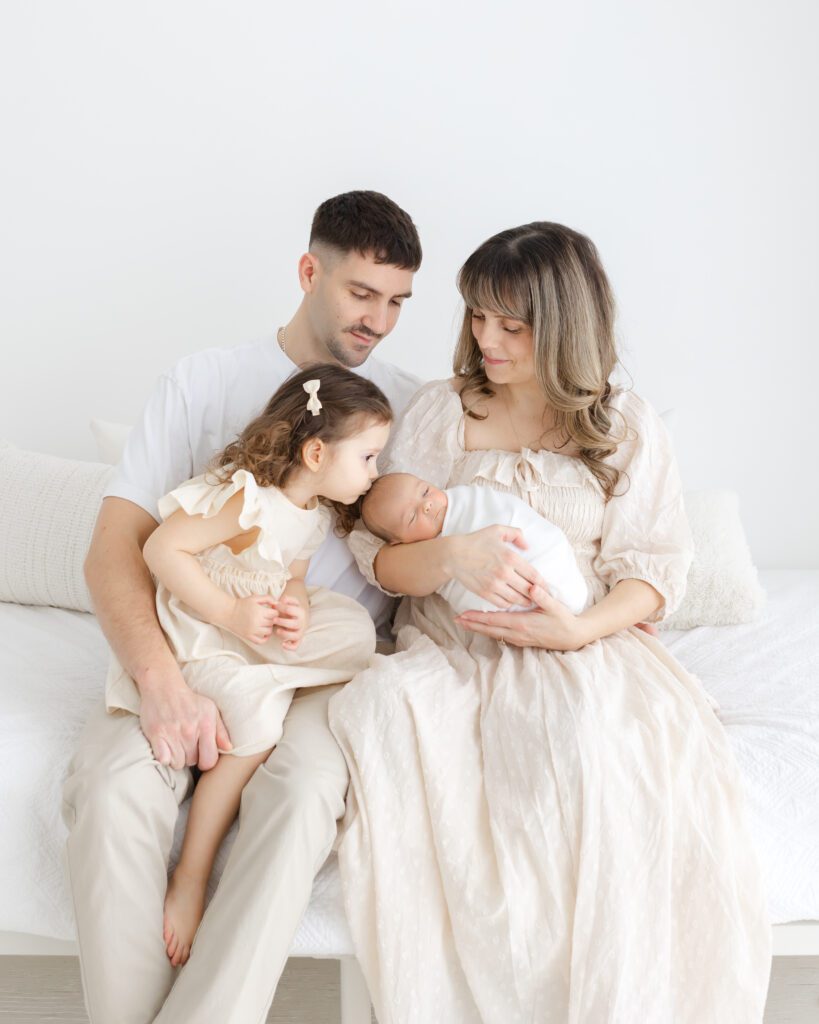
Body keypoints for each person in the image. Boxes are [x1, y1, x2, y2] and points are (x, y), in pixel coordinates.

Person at [328, 222, 773, 1022]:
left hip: (582, 639)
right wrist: (453, 557)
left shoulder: (624, 425)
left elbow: (652, 570)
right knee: (386, 718)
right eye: (475, 316)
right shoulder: (441, 411)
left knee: (591, 750)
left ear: (563, 324)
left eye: (511, 323)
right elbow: (380, 556)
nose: (484, 339)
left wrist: (579, 630)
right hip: (449, 639)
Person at [61, 191, 425, 1024]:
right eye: (360, 293)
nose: (379, 320)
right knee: (113, 789)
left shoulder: (409, 408)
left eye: (397, 301)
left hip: (316, 668)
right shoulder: (204, 382)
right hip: (192, 643)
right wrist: (160, 680)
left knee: (298, 802)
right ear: (309, 272)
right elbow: (120, 547)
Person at [103, 364, 391, 968]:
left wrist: (295, 612)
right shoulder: (246, 500)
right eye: (367, 458)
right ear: (316, 451)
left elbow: (291, 578)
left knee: (356, 630)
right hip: (200, 634)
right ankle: (191, 873)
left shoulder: (310, 517)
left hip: (247, 628)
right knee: (257, 724)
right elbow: (160, 550)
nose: (375, 474)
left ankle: (273, 669)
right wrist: (231, 613)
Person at [359, 471, 588, 614]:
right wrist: (452, 553)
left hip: (545, 558)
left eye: (426, 491)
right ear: (399, 542)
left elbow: (507, 513)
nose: (426, 505)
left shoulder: (467, 501)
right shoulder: (416, 555)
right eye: (411, 517)